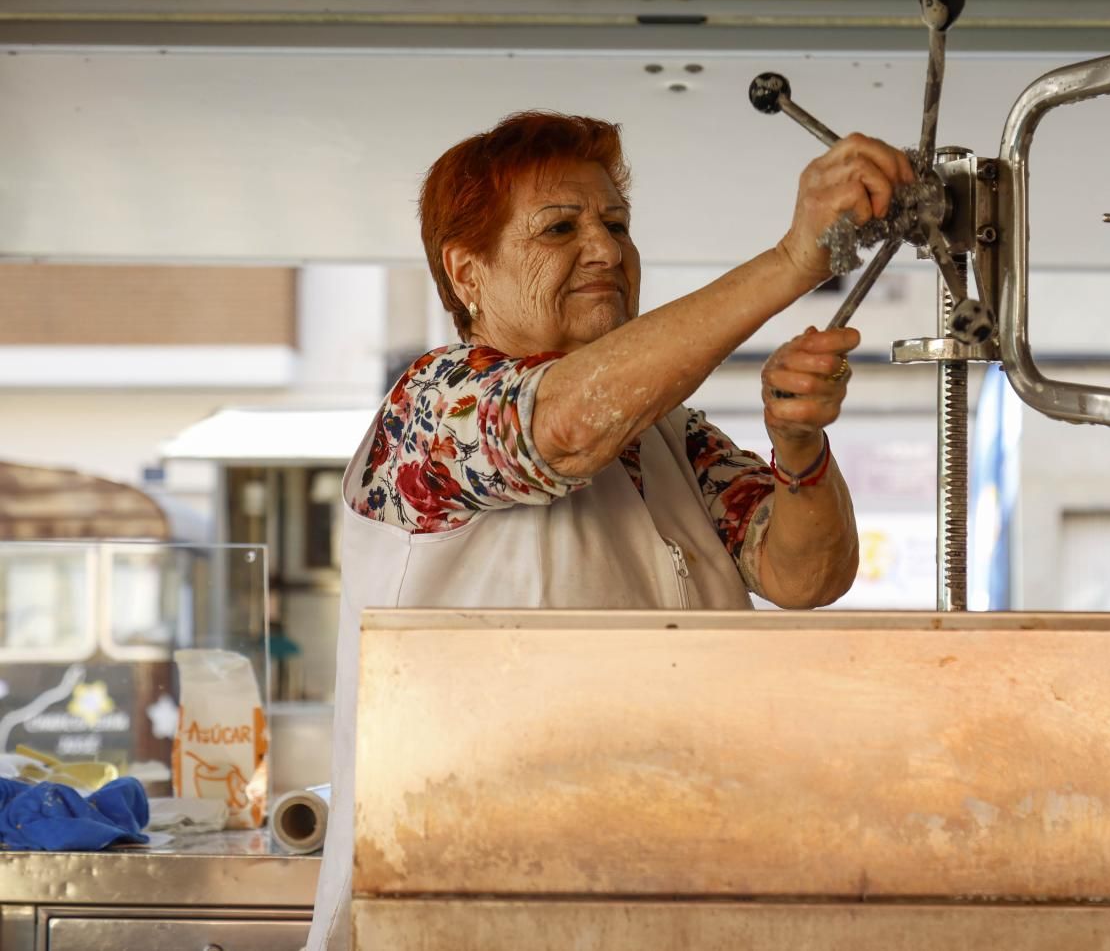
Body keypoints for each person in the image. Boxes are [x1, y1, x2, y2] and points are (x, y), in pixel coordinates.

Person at [305, 110, 915, 948]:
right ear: (466, 271)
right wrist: (790, 261)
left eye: (616, 223)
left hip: (662, 900)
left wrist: (799, 448)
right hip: (460, 915)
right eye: (561, 227)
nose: (606, 249)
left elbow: (803, 575)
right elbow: (558, 429)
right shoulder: (432, 408)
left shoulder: (666, 432)